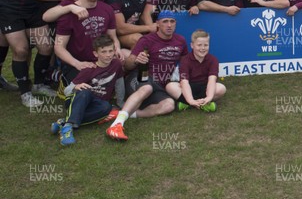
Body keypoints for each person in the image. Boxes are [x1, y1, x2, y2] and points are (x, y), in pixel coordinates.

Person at [106, 10, 188, 141]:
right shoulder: (147, 40)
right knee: (147, 88)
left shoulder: (180, 41)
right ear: (157, 24)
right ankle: (117, 124)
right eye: (165, 21)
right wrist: (137, 60)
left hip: (160, 84)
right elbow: (127, 65)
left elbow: (185, 64)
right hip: (140, 77)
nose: (169, 25)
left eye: (172, 22)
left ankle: (128, 114)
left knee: (169, 105)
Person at [49, 0, 123, 90]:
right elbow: (59, 47)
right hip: (78, 63)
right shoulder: (70, 12)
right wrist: (77, 64)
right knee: (86, 91)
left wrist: (117, 48)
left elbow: (112, 37)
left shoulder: (107, 9)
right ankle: (61, 76)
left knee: (122, 62)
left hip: (101, 59)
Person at [51, 34, 123, 146]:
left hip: (96, 103)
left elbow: (119, 82)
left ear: (115, 51)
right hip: (78, 100)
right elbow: (67, 91)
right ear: (95, 53)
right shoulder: (89, 69)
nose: (108, 55)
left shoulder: (116, 64)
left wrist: (120, 103)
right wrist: (75, 87)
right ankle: (67, 129)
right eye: (103, 52)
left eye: (110, 51)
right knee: (85, 91)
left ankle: (63, 122)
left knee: (106, 107)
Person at [166, 29, 226, 112]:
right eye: (199, 45)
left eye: (206, 45)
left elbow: (212, 80)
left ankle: (191, 103)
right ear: (192, 45)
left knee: (221, 88)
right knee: (170, 86)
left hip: (205, 88)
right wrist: (190, 100)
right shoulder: (185, 60)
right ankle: (195, 103)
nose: (203, 48)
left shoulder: (213, 60)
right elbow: (184, 82)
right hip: (189, 87)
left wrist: (208, 97)